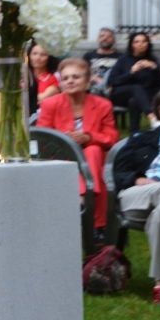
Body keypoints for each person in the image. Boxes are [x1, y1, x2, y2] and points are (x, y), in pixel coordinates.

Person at [37, 56, 118, 238]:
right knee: (93, 158)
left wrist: (89, 137)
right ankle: (95, 223)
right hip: (61, 158)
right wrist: (63, 141)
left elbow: (112, 138)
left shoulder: (103, 105)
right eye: (65, 78)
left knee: (93, 151)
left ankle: (81, 200)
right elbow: (42, 138)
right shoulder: (50, 104)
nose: (70, 81)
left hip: (93, 160)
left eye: (76, 77)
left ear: (88, 82)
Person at [114, 88, 160, 305]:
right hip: (136, 197)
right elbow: (118, 172)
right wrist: (137, 179)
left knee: (159, 217)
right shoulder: (141, 138)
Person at [107, 31, 160, 124]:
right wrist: (131, 72)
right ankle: (152, 118)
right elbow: (112, 80)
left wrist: (154, 68)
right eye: (136, 42)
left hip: (143, 96)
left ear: (148, 43)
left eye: (144, 41)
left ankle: (134, 131)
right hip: (121, 94)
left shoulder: (152, 60)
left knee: (134, 101)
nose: (140, 44)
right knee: (136, 88)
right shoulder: (123, 59)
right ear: (132, 44)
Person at [84, 27, 120, 96]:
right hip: (93, 85)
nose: (105, 38)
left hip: (113, 85)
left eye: (109, 36)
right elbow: (83, 71)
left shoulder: (120, 57)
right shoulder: (89, 56)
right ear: (98, 40)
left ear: (114, 41)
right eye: (102, 36)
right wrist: (95, 78)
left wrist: (109, 83)